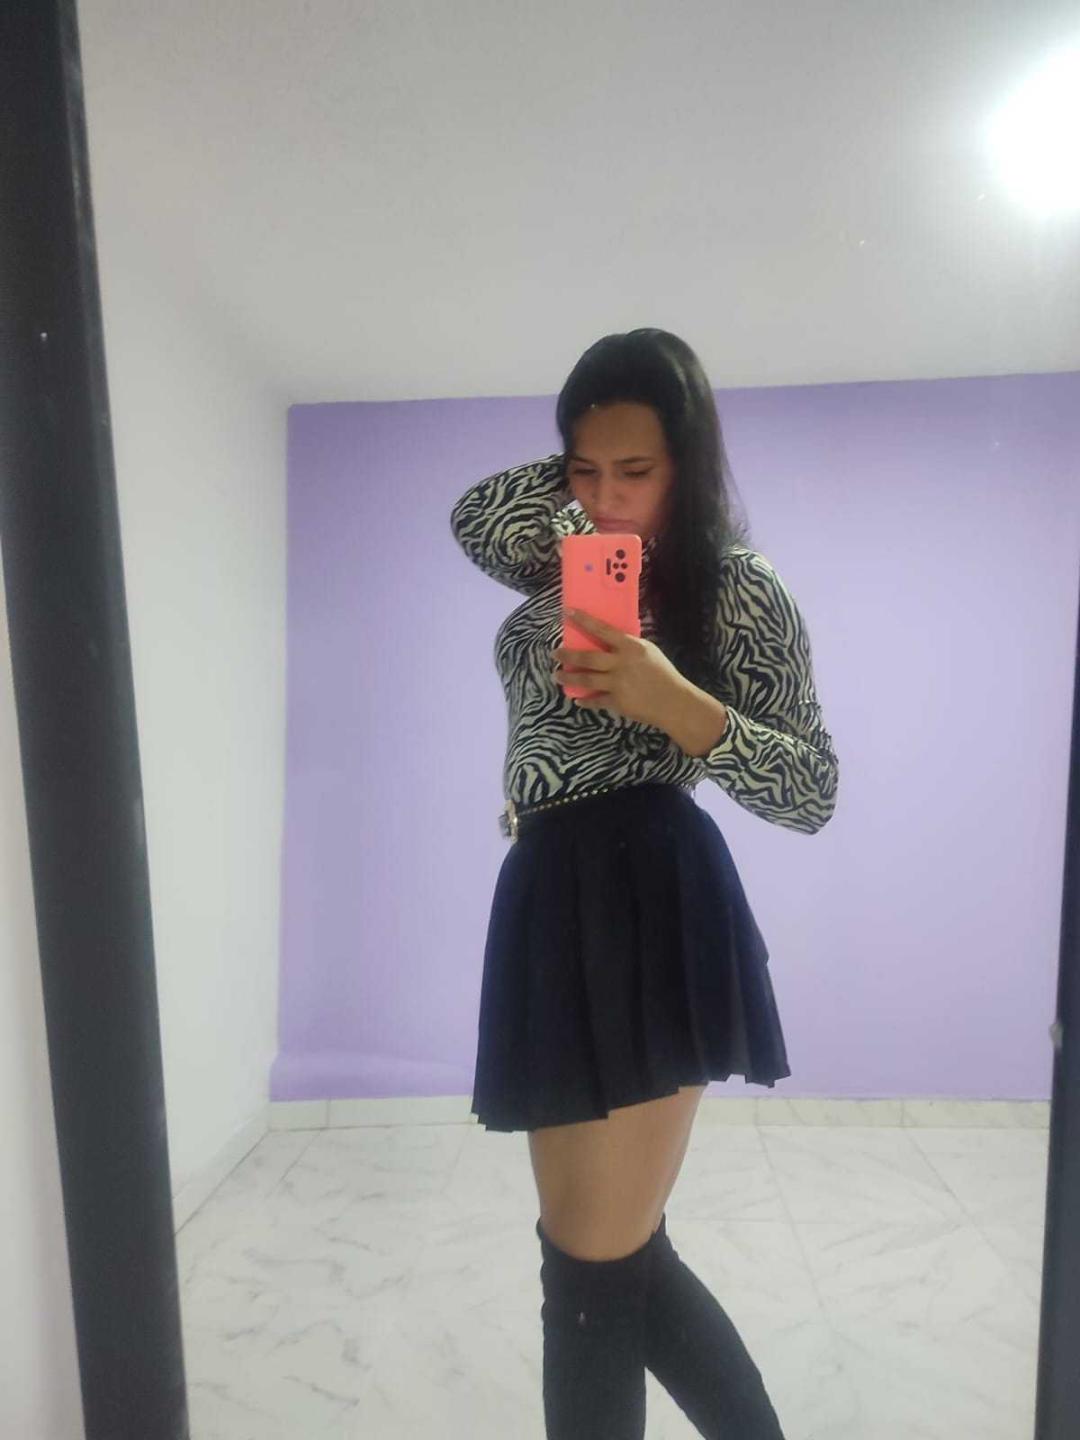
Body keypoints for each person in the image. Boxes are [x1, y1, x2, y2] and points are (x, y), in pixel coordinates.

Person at [449, 328, 839, 1438]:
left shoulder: (737, 587)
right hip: (545, 892)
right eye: (584, 468)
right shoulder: (561, 563)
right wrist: (581, 492)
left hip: (650, 890)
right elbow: (475, 516)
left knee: (590, 1270)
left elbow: (811, 789)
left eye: (639, 470)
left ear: (691, 464)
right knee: (603, 1255)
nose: (607, 498)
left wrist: (675, 701)